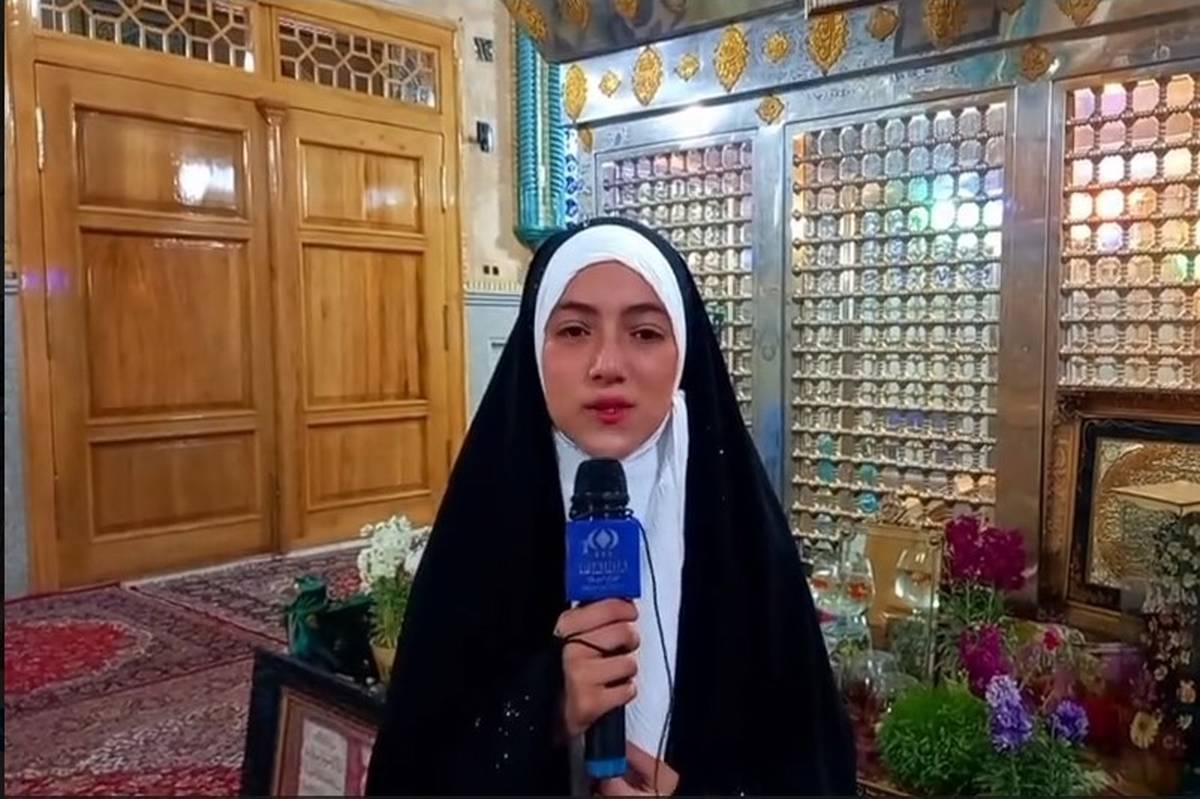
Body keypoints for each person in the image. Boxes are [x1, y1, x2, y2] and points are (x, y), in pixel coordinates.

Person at [365, 218, 856, 796]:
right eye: (574, 330)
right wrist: (545, 711)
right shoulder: (480, 536)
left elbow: (809, 765)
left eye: (644, 333)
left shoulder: (744, 542)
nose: (607, 365)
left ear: (683, 351)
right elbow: (417, 764)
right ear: (535, 347)